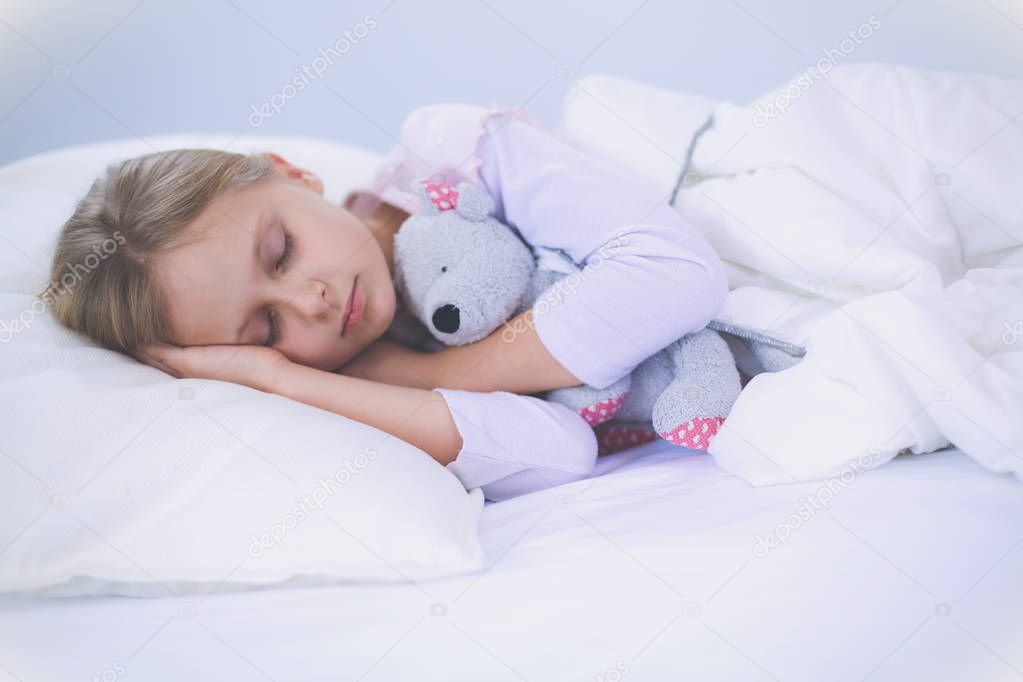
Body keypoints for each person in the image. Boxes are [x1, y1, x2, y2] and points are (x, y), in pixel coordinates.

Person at [46, 104, 729, 501]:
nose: (307, 302)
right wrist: (279, 379)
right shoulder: (334, 382)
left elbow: (675, 274)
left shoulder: (454, 155)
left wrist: (426, 377)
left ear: (291, 173)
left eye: (280, 250)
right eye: (263, 327)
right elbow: (561, 450)